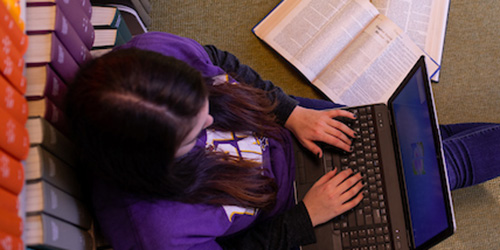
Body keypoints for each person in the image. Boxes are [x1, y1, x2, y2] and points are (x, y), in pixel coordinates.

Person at [66, 32, 500, 250]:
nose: (212, 118)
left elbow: (217, 61)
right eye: (197, 132)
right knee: (440, 162)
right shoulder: (155, 231)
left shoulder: (147, 58)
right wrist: (306, 218)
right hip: (296, 206)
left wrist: (289, 111)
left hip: (285, 123)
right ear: (153, 162)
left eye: (204, 101)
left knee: (407, 137)